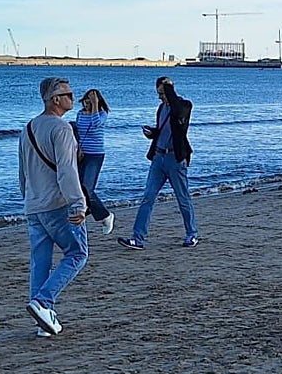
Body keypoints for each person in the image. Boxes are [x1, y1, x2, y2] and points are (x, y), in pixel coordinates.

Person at [19, 77, 89, 337]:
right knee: (77, 254)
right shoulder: (61, 129)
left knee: (41, 261)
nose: (73, 98)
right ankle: (43, 303)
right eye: (68, 94)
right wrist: (78, 204)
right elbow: (67, 172)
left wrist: (28, 198)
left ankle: (43, 322)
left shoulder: (28, 128)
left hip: (34, 205)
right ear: (55, 99)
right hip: (57, 205)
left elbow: (23, 173)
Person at [118, 77, 198, 250]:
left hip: (175, 159)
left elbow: (178, 118)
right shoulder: (161, 108)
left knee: (182, 198)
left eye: (162, 93)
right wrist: (153, 133)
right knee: (148, 197)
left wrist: (169, 90)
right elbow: (164, 129)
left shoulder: (184, 105)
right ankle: (138, 238)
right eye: (159, 94)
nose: (160, 97)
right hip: (158, 157)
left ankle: (192, 234)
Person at [74, 89, 114, 235]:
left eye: (90, 101)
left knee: (87, 188)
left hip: (95, 154)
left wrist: (96, 105)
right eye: (86, 100)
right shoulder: (80, 114)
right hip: (81, 154)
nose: (87, 103)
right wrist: (77, 149)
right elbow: (77, 132)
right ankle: (90, 210)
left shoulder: (102, 114)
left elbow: (96, 124)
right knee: (78, 186)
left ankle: (105, 215)